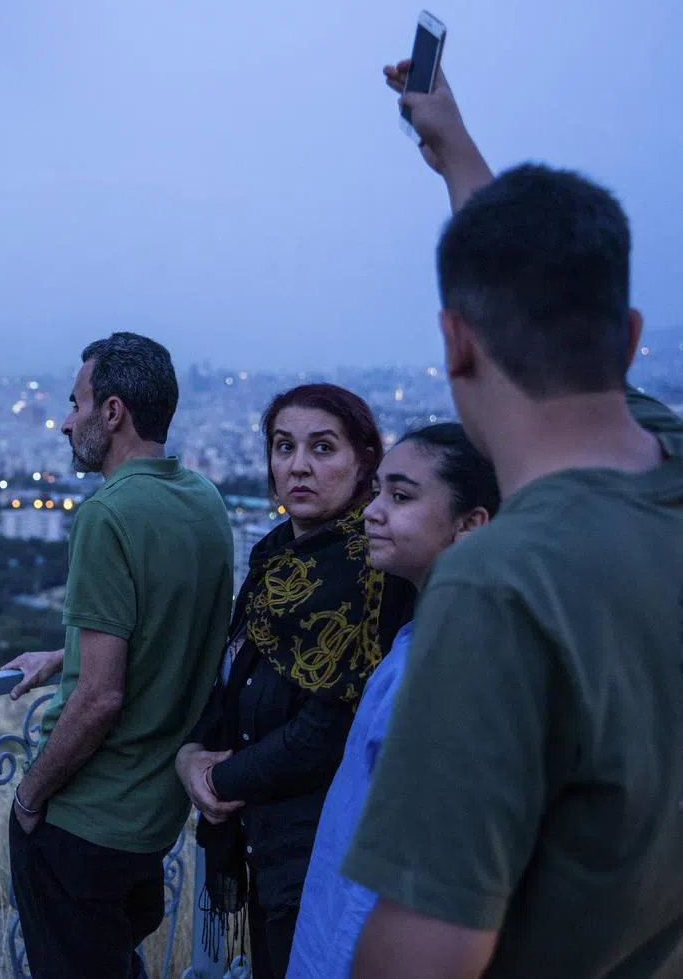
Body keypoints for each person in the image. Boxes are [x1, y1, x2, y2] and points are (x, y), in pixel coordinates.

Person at [341, 61, 683, 978]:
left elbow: (421, 957)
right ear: (630, 338)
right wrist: (453, 149)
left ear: (453, 344)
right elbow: (528, 286)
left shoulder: (500, 585)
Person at [4, 332, 234, 979]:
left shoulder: (106, 514)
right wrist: (65, 651)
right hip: (156, 815)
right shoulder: (205, 501)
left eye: (76, 403)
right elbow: (174, 629)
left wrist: (29, 797)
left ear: (113, 412)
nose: (65, 421)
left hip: (84, 821)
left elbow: (101, 694)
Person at [175, 384, 415, 979]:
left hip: (322, 847)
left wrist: (217, 778)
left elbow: (331, 726)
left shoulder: (376, 567)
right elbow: (235, 669)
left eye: (323, 448)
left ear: (365, 459)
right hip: (261, 836)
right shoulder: (276, 554)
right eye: (284, 447)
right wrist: (190, 755)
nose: (298, 466)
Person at [287, 423, 499, 978]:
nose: (372, 512)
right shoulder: (423, 638)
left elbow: (410, 872)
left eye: (400, 497)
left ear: (470, 525)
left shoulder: (451, 671)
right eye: (377, 491)